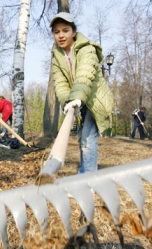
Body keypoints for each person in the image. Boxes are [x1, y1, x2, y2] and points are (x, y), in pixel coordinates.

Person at [50, 12, 114, 174]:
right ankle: (85, 173)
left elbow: (84, 75)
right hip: (78, 100)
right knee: (82, 139)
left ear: (74, 32)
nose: (61, 35)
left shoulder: (87, 49)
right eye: (57, 32)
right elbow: (61, 82)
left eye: (65, 30)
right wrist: (67, 101)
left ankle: (88, 180)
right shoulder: (57, 55)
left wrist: (77, 97)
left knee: (88, 139)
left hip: (94, 100)